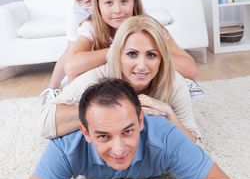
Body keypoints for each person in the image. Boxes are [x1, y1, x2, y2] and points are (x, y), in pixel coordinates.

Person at [12, 79, 242, 179]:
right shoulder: (66, 145)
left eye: (128, 131)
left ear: (141, 121)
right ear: (86, 132)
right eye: (103, 136)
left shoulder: (164, 134)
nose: (119, 149)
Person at [38, 15, 201, 142]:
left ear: (162, 59)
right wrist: (113, 110)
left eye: (151, 55)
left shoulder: (174, 83)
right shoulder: (100, 75)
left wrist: (169, 114)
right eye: (132, 54)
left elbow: (197, 147)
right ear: (118, 55)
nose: (142, 66)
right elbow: (45, 122)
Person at [62, 0, 198, 85]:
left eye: (124, 1)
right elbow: (71, 67)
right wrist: (118, 50)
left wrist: (151, 56)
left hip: (143, 87)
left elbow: (190, 69)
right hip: (111, 89)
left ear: (134, 1)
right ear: (98, 5)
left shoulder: (152, 28)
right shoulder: (91, 27)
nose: (117, 10)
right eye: (108, 3)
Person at [41, 0, 102, 104]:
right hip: (88, 56)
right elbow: (73, 53)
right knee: (71, 50)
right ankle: (53, 87)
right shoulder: (76, 15)